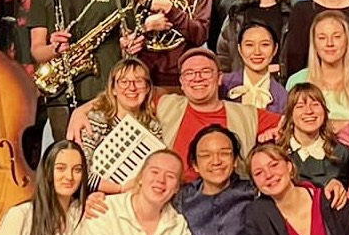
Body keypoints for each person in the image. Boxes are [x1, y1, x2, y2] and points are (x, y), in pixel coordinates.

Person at [31, 0, 138, 144]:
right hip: (61, 96)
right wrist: (54, 48)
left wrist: (130, 45)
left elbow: (128, 44)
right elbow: (37, 51)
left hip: (108, 95)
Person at [157, 47, 262, 180]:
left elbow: (290, 121)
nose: (197, 78)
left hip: (229, 197)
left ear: (219, 78)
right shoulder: (165, 104)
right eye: (189, 73)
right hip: (171, 196)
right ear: (181, 82)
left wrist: (275, 132)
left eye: (205, 72)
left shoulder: (246, 115)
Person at [68, 56, 166, 194]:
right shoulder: (97, 120)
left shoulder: (152, 126)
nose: (131, 87)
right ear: (113, 89)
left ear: (148, 88)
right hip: (97, 197)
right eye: (123, 82)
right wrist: (119, 189)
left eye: (138, 81)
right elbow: (81, 170)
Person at [287, 9, 349, 123]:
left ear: (347, 41)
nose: (329, 43)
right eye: (322, 38)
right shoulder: (297, 81)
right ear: (314, 43)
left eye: (337, 36)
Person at [216, 0, 292, 78]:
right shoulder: (237, 13)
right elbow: (224, 57)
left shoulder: (295, 12)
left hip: (286, 89)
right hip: (243, 90)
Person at [277, 83, 349, 200]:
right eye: (300, 106)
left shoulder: (342, 153)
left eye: (315, 104)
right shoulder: (277, 153)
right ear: (290, 115)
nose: (309, 111)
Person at [221, 21, 288, 112]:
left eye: (265, 45)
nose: (257, 52)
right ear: (240, 49)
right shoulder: (223, 85)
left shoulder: (283, 96)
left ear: (275, 49)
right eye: (249, 45)